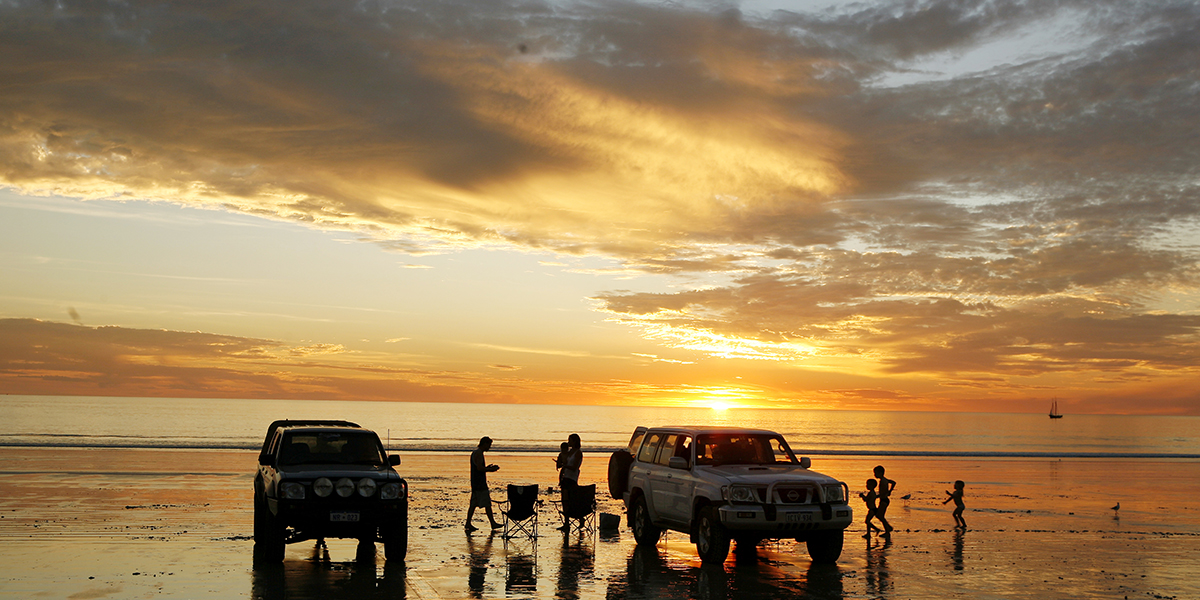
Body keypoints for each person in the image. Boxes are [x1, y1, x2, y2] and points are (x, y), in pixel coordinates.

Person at [465, 436, 501, 532]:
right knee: (487, 503)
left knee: (473, 504)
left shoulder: (476, 453)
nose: (489, 447)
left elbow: (479, 467)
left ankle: (468, 523)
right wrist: (490, 469)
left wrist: (487, 467)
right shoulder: (478, 453)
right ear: (484, 444)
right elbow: (479, 469)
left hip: (476, 482)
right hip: (479, 482)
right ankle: (492, 523)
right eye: (489, 445)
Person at [558, 433, 582, 531]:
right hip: (565, 477)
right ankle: (566, 523)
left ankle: (580, 518)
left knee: (571, 501)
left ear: (575, 441)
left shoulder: (578, 453)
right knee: (565, 501)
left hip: (572, 478)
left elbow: (575, 467)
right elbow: (564, 462)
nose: (568, 442)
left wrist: (565, 465)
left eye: (570, 440)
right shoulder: (570, 451)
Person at [873, 465, 896, 534]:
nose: (875, 475)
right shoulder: (885, 480)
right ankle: (888, 528)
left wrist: (876, 496)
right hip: (883, 500)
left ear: (881, 473)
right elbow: (893, 482)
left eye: (876, 473)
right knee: (879, 515)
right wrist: (890, 491)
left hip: (884, 500)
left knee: (880, 516)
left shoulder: (883, 481)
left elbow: (883, 493)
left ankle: (888, 529)